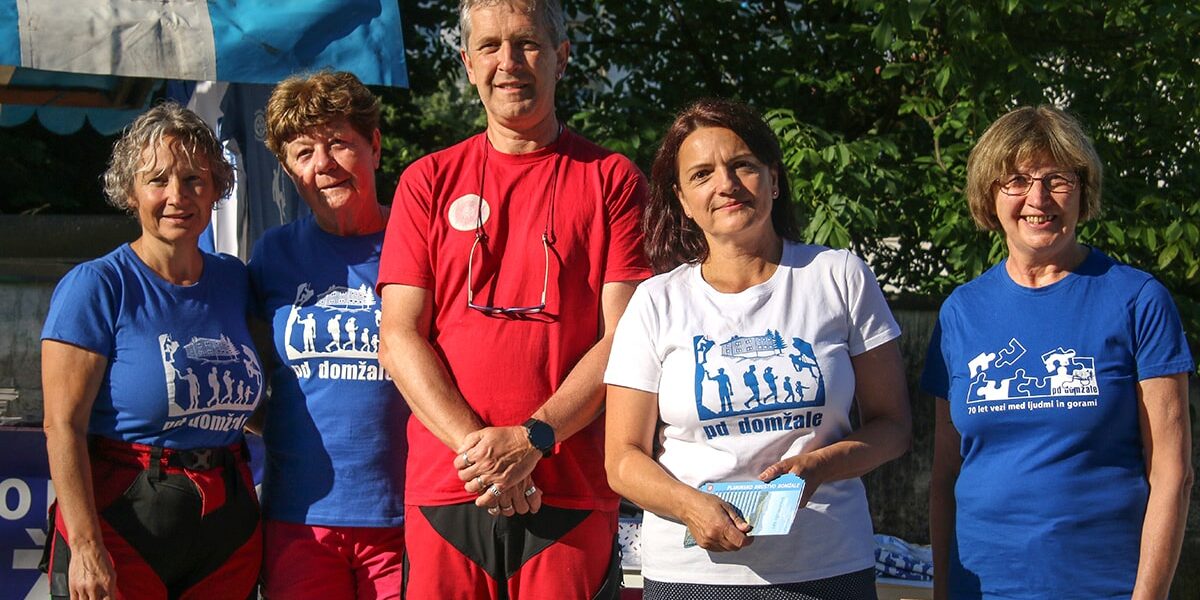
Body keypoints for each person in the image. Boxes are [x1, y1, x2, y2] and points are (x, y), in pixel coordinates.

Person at [375, 0, 651, 596]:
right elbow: (398, 337)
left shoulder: (613, 179)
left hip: (569, 490)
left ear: (561, 57)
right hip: (451, 488)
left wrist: (532, 440)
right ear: (467, 63)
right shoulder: (426, 180)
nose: (509, 62)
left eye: (527, 43)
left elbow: (628, 339)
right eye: (489, 46)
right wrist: (487, 459)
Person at [604, 98, 912, 599]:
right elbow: (621, 459)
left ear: (774, 178)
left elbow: (893, 427)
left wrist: (820, 467)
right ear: (683, 200)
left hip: (827, 565)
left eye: (742, 165)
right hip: (694, 577)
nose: (725, 184)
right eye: (701, 174)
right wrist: (689, 506)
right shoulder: (655, 302)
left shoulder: (838, 276)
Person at [922, 105, 1194, 599]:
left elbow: (1172, 474)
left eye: (1057, 179)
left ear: (1083, 190)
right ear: (989, 195)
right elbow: (946, 477)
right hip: (979, 588)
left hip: (1103, 588)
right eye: (1017, 180)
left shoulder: (1137, 300)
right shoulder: (961, 312)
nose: (1038, 198)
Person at [41, 102, 262, 599]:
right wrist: (85, 545)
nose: (177, 196)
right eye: (157, 180)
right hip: (123, 521)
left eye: (194, 179)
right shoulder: (97, 286)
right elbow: (62, 426)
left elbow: (263, 400)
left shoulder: (235, 280)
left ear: (217, 188)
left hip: (226, 525)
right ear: (130, 191)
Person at [249, 70, 409, 599]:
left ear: (375, 147)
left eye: (339, 143)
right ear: (288, 169)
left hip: (406, 515)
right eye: (303, 152)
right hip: (300, 518)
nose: (323, 164)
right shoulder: (273, 254)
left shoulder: (419, 241)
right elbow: (239, 365)